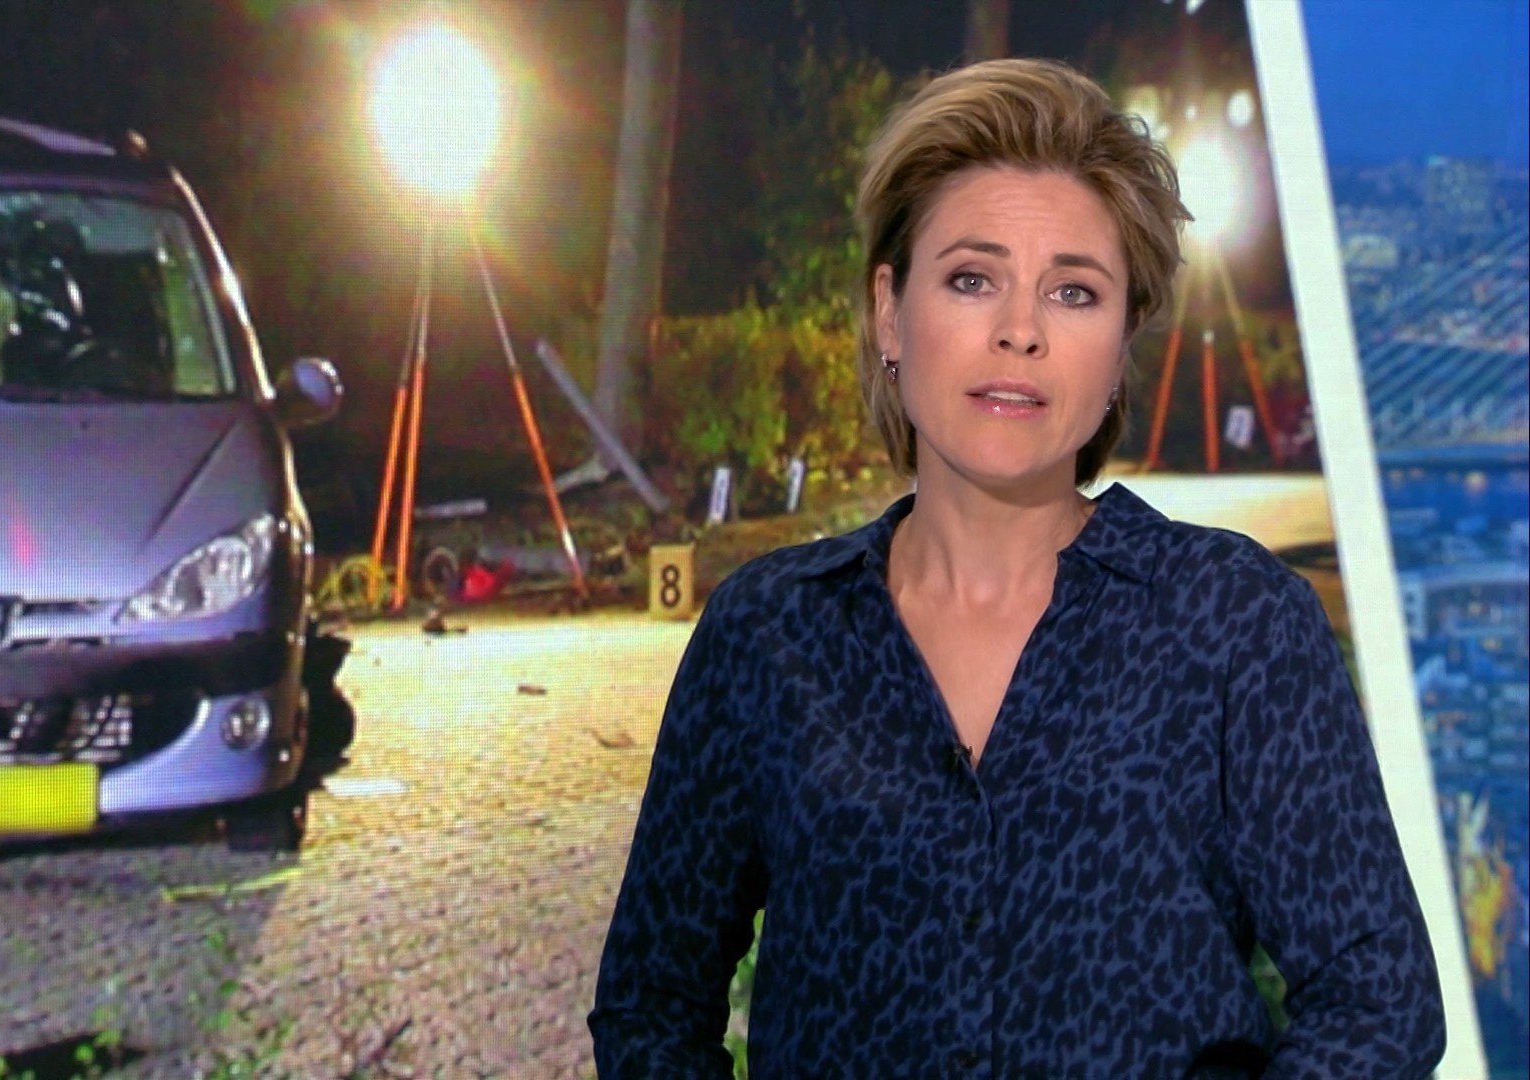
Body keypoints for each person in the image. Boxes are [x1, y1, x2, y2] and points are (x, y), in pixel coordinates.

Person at [588, 58, 1445, 1078]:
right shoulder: (765, 636)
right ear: (890, 312)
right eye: (971, 278)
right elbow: (650, 1002)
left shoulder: (1238, 624)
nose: (1020, 331)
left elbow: (1379, 1002)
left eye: (1073, 291)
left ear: (1120, 342)